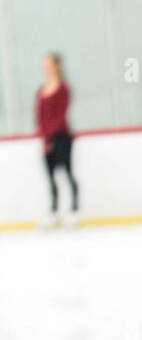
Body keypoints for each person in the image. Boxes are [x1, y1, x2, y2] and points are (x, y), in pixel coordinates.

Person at [35, 52, 80, 227]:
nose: (45, 67)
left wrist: (52, 136)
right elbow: (40, 117)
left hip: (62, 137)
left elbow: (61, 114)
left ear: (56, 66)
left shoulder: (63, 88)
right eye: (44, 64)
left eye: (48, 63)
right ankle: (53, 211)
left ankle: (74, 209)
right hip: (46, 139)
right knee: (50, 176)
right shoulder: (41, 91)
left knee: (67, 172)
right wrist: (45, 138)